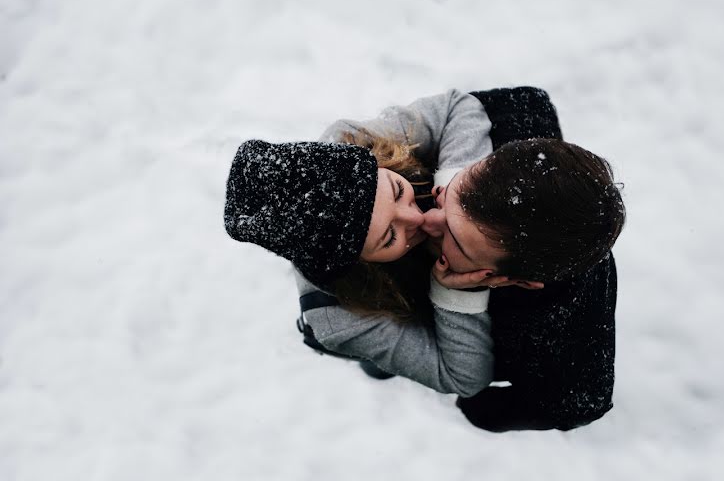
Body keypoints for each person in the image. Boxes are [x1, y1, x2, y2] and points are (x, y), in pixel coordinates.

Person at [298, 87, 626, 432]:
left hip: (472, 336)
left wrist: (456, 300)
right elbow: (487, 103)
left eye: (456, 238)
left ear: (507, 280)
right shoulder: (522, 121)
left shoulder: (557, 347)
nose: (427, 220)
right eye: (452, 190)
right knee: (379, 350)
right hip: (366, 302)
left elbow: (575, 404)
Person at [224, 128, 497, 398]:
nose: (418, 219)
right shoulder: (341, 323)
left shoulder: (349, 138)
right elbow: (464, 377)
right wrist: (457, 286)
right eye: (389, 236)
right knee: (380, 361)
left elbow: (458, 107)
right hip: (377, 306)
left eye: (398, 189)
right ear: (360, 264)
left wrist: (463, 195)